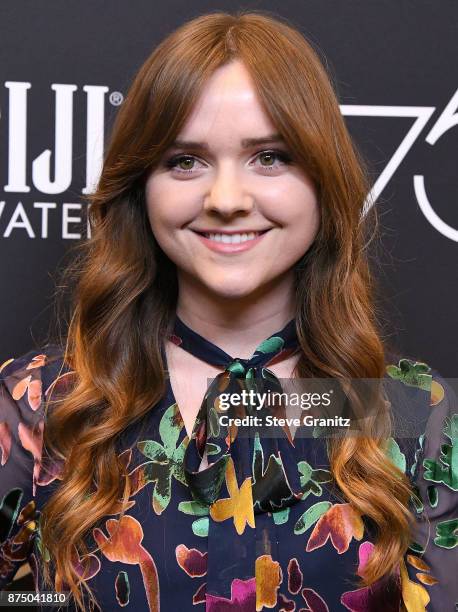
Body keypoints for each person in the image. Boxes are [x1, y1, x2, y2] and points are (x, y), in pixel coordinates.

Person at [0, 11, 456, 612]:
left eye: (269, 157)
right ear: (141, 186)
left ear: (323, 179)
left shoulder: (411, 414)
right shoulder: (40, 404)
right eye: (184, 161)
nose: (226, 200)